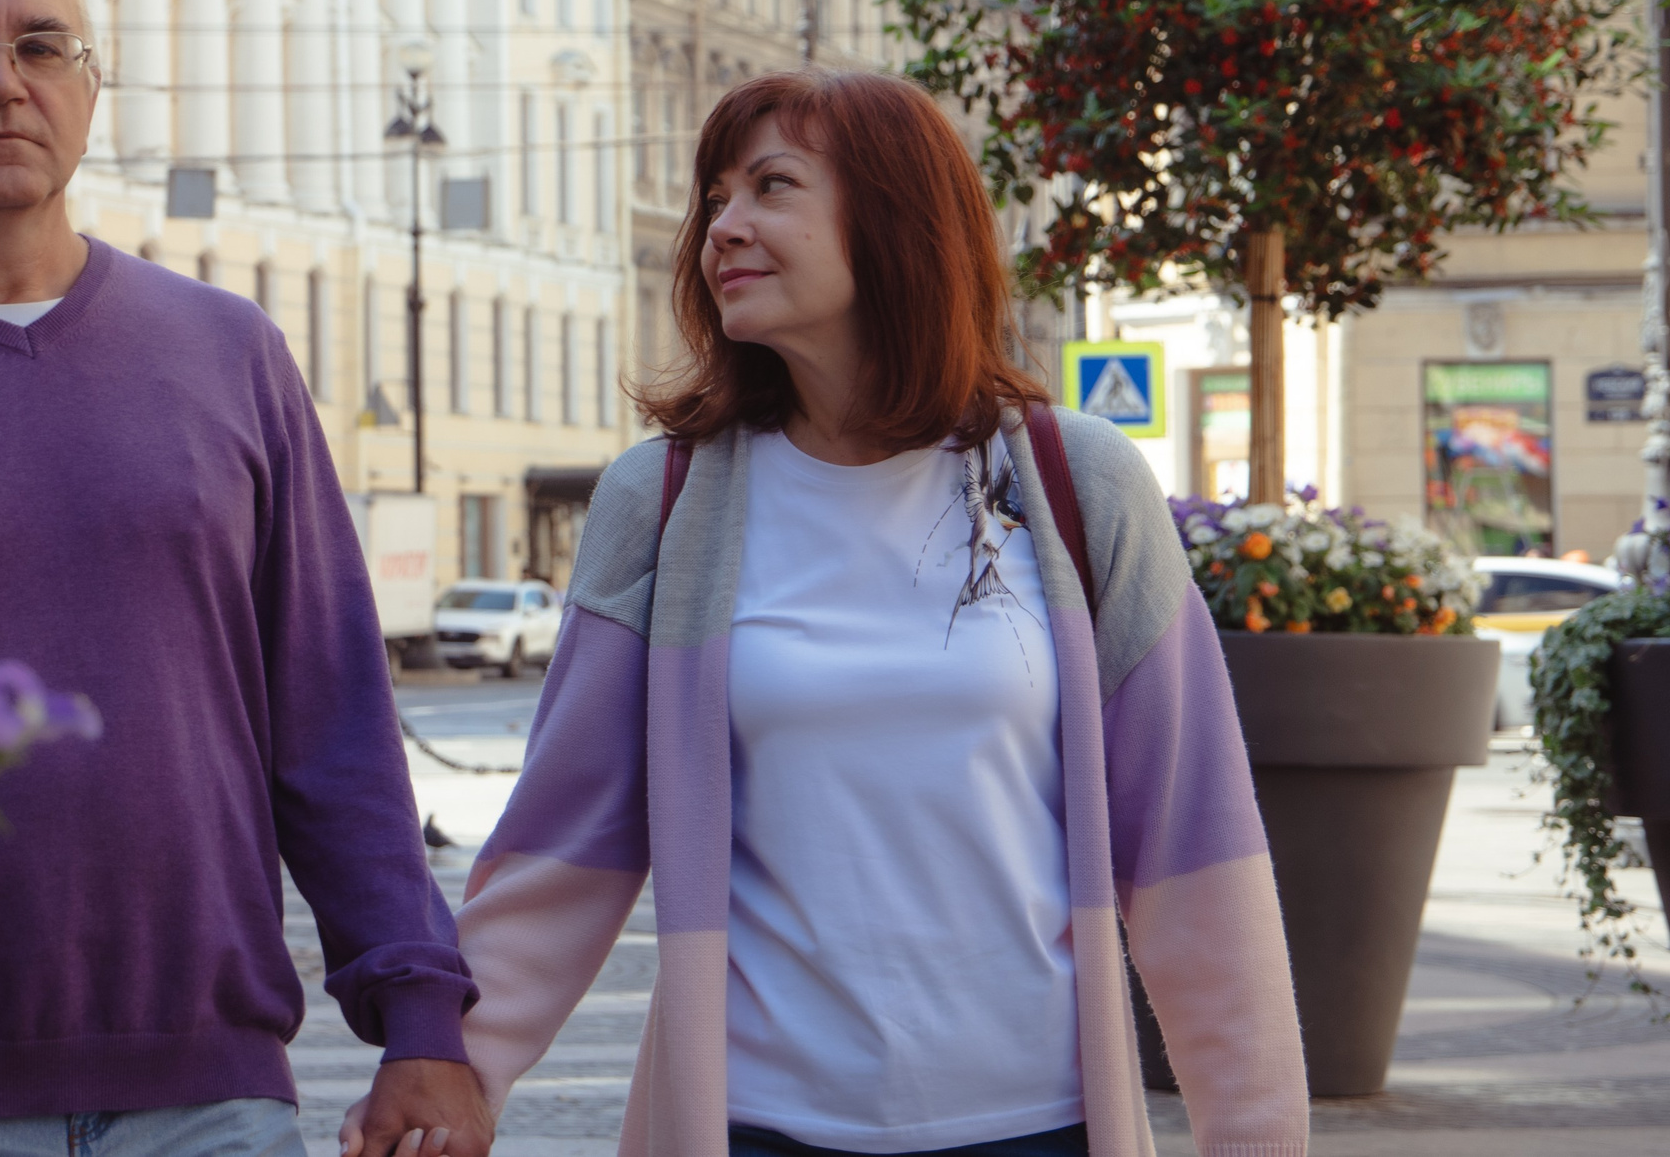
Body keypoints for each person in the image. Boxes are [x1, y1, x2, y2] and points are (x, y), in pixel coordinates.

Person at [405, 71, 1306, 1157]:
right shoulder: (667, 500)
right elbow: (566, 840)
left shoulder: (1076, 483)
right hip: (755, 1127)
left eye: (769, 187)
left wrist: (1253, 1137)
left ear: (893, 218)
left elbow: (1190, 841)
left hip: (1040, 1128)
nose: (720, 229)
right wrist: (452, 1068)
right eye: (714, 198)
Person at [0, 0, 492, 1157]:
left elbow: (334, 718)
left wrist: (420, 1022)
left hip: (212, 1096)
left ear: (92, 94)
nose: (1, 78)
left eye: (43, 44)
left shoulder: (227, 351)